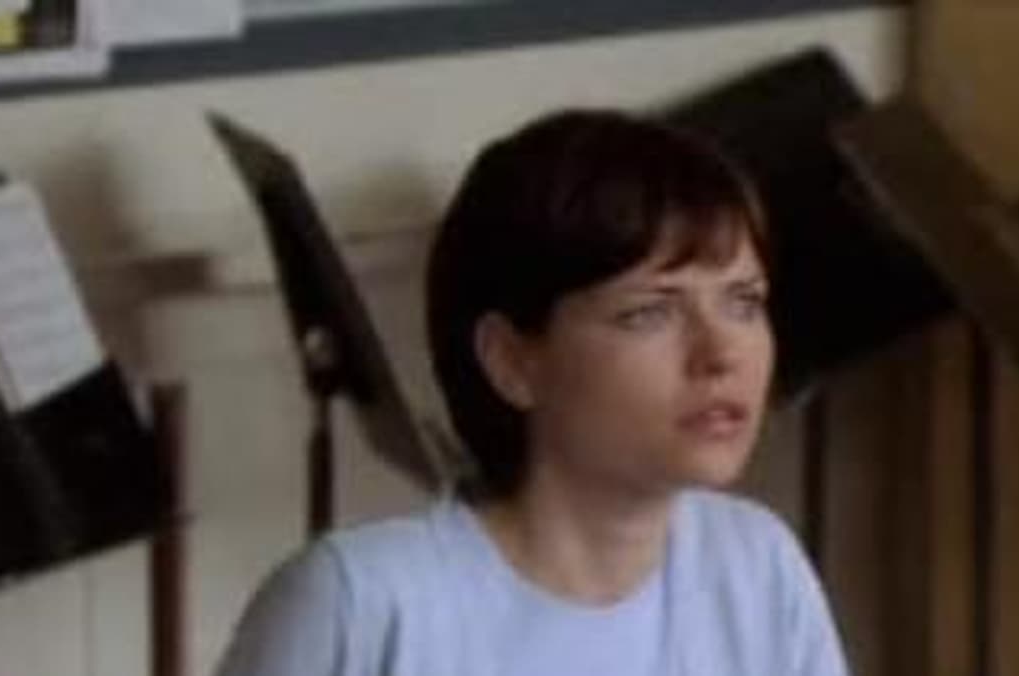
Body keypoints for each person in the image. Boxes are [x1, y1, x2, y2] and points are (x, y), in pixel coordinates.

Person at [214, 110, 847, 676]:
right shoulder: (359, 605)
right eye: (650, 313)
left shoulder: (756, 567)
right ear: (512, 361)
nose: (722, 353)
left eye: (744, 303)